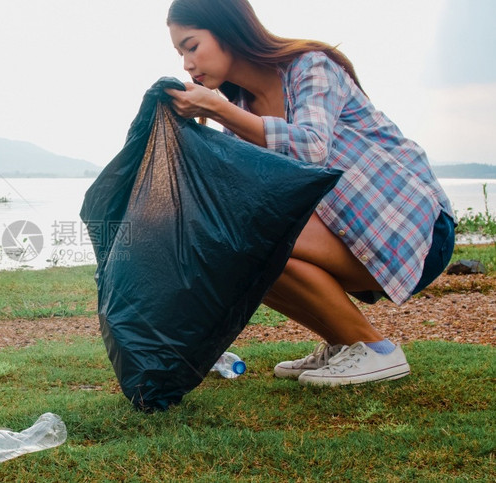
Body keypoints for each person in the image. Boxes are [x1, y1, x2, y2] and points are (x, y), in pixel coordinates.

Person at [164, 0, 456, 386]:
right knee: (235, 249)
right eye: (180, 53)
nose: (186, 63)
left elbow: (313, 147)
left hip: (414, 230)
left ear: (228, 32)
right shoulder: (239, 115)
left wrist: (217, 111)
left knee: (251, 234)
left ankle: (376, 350)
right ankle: (346, 343)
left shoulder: (310, 66)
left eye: (191, 45)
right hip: (348, 236)